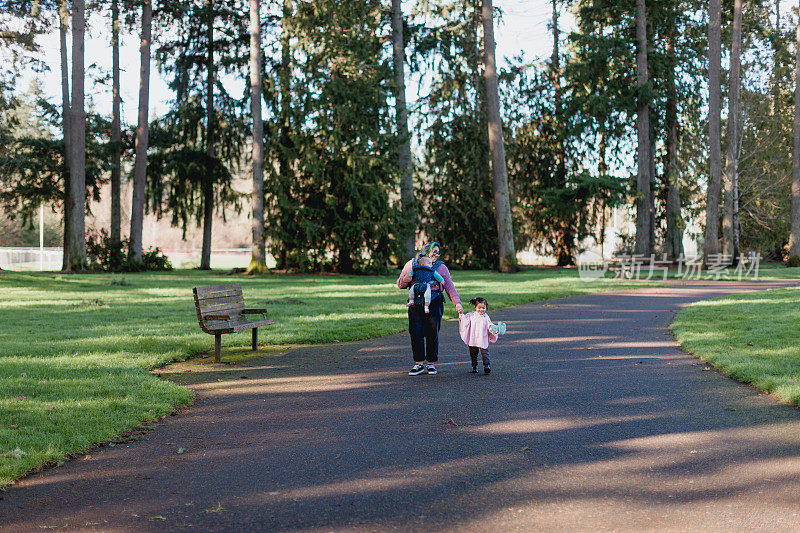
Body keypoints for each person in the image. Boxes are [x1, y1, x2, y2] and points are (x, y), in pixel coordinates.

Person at [396, 242, 463, 375]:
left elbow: (449, 287)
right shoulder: (412, 264)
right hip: (416, 302)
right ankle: (419, 363)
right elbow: (400, 284)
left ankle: (431, 363)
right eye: (434, 251)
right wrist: (405, 279)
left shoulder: (441, 267)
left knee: (432, 331)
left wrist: (457, 303)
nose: (436, 254)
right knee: (415, 331)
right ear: (426, 251)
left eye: (438, 252)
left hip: (435, 302)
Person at [458, 296, 505, 374]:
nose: (481, 310)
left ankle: (487, 366)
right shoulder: (471, 315)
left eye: (483, 308)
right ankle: (474, 366)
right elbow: (464, 321)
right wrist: (461, 314)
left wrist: (493, 329)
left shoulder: (486, 317)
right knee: (473, 354)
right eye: (479, 307)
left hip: (483, 338)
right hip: (473, 338)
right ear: (475, 307)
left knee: (485, 353)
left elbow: (489, 325)